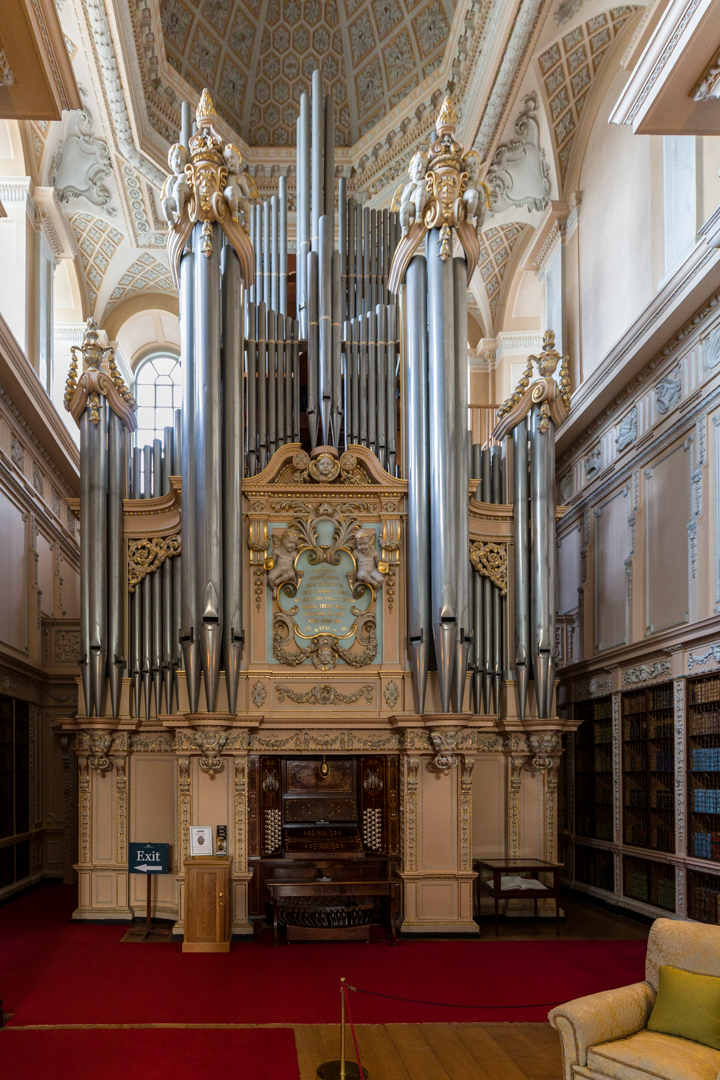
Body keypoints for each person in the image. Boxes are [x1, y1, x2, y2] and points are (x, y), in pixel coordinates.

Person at [399, 151, 429, 235]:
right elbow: (403, 201)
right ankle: (404, 228)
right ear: (411, 168)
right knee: (404, 208)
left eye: (423, 167)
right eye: (418, 165)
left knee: (420, 191)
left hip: (423, 204)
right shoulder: (409, 185)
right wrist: (409, 190)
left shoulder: (425, 181)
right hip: (412, 206)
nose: (420, 168)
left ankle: (419, 215)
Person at [222, 144, 253, 226]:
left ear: (238, 158)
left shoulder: (242, 177)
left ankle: (246, 224)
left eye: (232, 157)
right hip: (228, 197)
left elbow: (246, 194)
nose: (230, 161)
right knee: (232, 190)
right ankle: (234, 213)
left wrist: (243, 184)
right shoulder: (226, 176)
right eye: (227, 160)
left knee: (247, 206)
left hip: (239, 200)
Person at [160, 143, 190, 225]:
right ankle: (171, 222)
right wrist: (169, 183)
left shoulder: (186, 174)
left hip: (185, 197)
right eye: (176, 158)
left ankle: (180, 212)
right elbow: (168, 194)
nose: (179, 162)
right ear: (170, 160)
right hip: (174, 201)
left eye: (183, 160)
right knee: (165, 202)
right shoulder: (170, 178)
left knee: (179, 186)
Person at [267, 528, 299, 597]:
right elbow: (273, 563)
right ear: (283, 541)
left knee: (291, 573)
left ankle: (279, 580)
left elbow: (296, 566)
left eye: (294, 543)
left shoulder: (294, 554)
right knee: (270, 577)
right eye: (290, 542)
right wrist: (269, 561)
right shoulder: (277, 550)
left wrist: (296, 579)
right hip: (278, 568)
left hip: (288, 570)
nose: (292, 545)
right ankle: (274, 588)